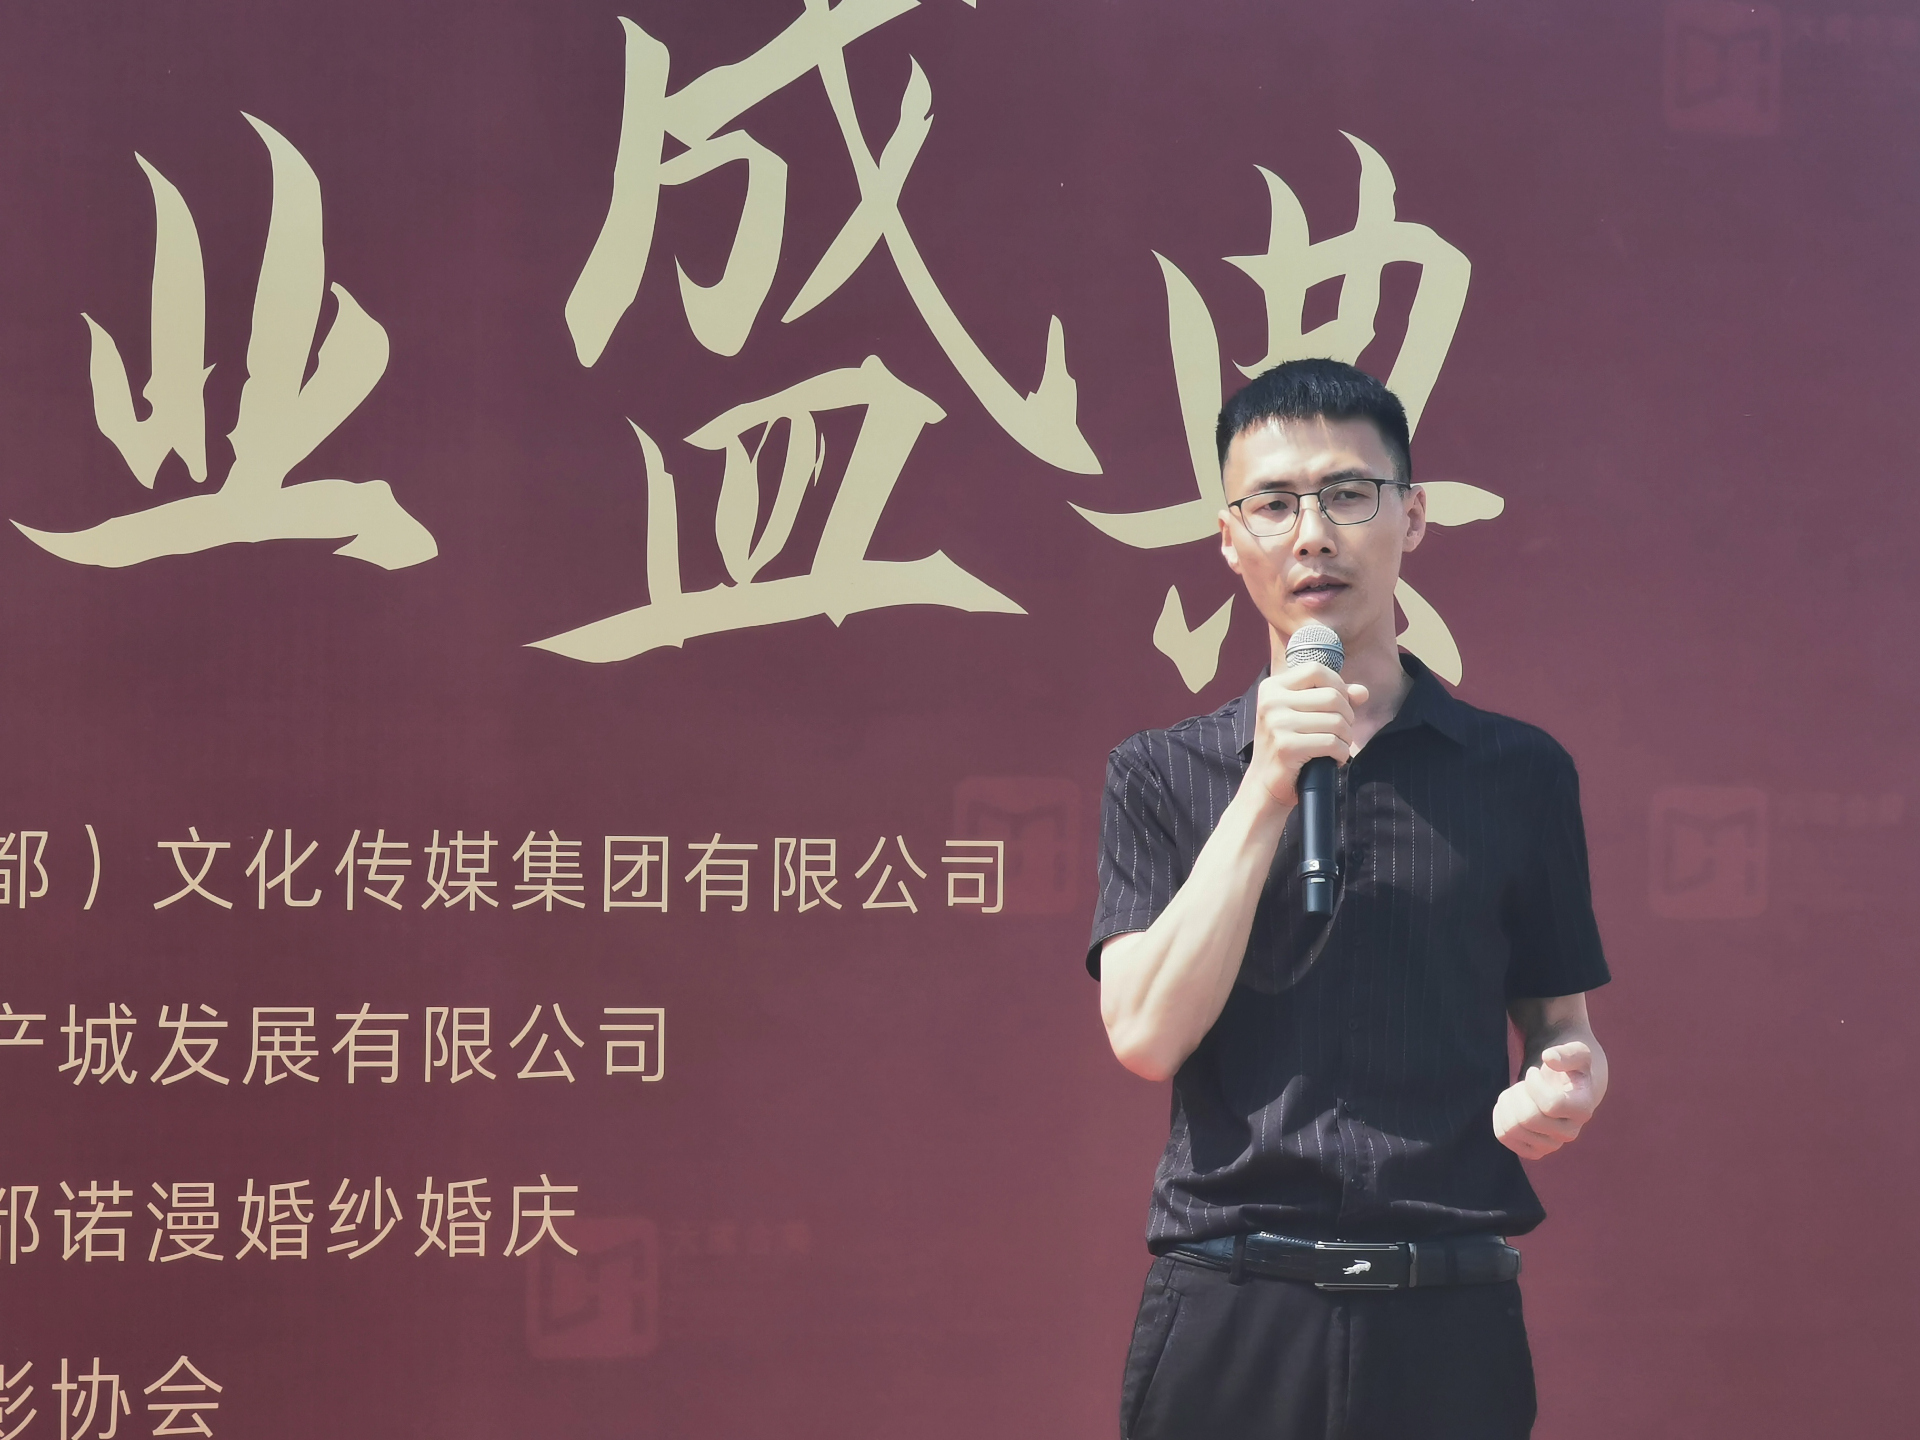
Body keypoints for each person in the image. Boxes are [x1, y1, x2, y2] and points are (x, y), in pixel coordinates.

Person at [1090, 359, 1611, 1440]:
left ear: (1411, 517)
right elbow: (1144, 1034)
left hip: (1448, 1316)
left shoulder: (1518, 772)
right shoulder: (1161, 773)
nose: (1312, 535)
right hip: (1234, 1310)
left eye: (1347, 494)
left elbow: (1563, 1024)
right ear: (1229, 538)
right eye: (1273, 504)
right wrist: (1267, 787)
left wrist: (1569, 1081)